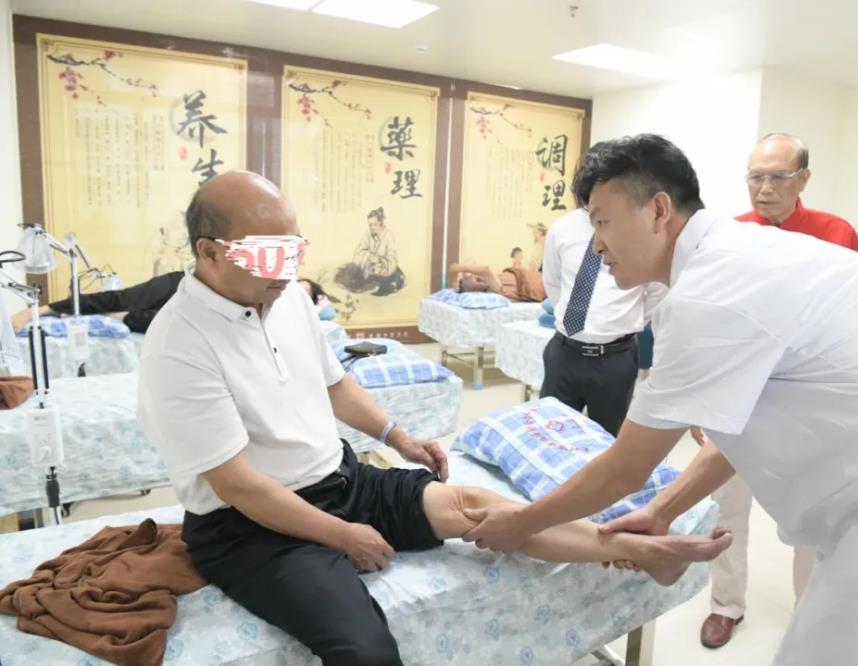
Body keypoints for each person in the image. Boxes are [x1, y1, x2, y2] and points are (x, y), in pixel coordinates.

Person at [137, 171, 732, 666]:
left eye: (294, 250)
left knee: (476, 506)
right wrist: (341, 536)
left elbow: (334, 383)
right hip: (250, 528)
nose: (287, 269)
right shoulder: (179, 342)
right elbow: (239, 486)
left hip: (339, 481)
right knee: (366, 650)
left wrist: (398, 437)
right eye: (270, 255)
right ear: (210, 252)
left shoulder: (287, 296)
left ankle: (638, 552)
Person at [463, 134, 858, 666]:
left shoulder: (710, 293)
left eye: (603, 222)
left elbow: (621, 471)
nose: (597, 244)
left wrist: (522, 523)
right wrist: (661, 510)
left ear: (658, 210)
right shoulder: (735, 256)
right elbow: (729, 432)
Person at [698, 132, 858, 648]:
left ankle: (807, 617)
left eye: (778, 177)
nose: (765, 188)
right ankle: (725, 604)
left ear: (804, 179)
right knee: (727, 507)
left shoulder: (836, 235)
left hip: (808, 403)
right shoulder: (731, 236)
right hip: (738, 399)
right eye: (756, 177)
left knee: (812, 513)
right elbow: (712, 321)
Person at [540, 208, 666, 436]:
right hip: (565, 352)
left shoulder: (643, 229)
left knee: (607, 438)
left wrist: (621, 322)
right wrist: (579, 321)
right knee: (551, 435)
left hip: (615, 359)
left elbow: (657, 290)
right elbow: (553, 282)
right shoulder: (563, 227)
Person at [9, 271, 183, 334]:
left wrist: (121, 317)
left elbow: (160, 321)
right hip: (175, 285)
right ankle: (40, 310)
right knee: (120, 299)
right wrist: (34, 312)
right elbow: (119, 299)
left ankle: (112, 316)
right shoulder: (174, 282)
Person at [337, 207, 405, 297]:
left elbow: (392, 258)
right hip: (369, 267)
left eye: (375, 224)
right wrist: (367, 256)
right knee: (353, 276)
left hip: (384, 268)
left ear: (381, 223)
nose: (372, 227)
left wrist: (379, 260)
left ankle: (376, 285)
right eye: (370, 225)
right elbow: (359, 251)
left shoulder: (389, 236)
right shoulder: (368, 234)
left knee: (386, 283)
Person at [447, 260, 545, 302]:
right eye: (477, 280)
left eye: (476, 276)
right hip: (539, 285)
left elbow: (452, 268)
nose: (480, 278)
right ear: (474, 292)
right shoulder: (494, 289)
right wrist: (463, 269)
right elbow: (485, 269)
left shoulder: (493, 278)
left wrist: (461, 273)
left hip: (534, 275)